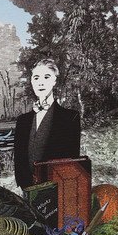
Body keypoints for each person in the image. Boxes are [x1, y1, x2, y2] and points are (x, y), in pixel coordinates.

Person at [14, 58, 81, 190]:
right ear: (31, 81)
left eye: (46, 77)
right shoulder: (22, 121)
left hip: (57, 189)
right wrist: (23, 186)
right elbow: (19, 160)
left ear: (54, 81)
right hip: (27, 190)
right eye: (36, 78)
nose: (41, 82)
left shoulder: (70, 118)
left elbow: (71, 163)